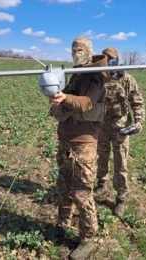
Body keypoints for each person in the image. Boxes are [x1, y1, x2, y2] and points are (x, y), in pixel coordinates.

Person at [44, 37, 108, 260]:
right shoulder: (77, 73)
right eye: (73, 49)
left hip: (84, 143)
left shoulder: (95, 76)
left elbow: (87, 103)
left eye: (79, 49)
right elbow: (66, 98)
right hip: (66, 140)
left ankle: (87, 239)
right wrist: (56, 95)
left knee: (81, 192)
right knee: (63, 186)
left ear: (89, 51)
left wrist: (66, 97)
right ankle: (62, 225)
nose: (75, 52)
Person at [96, 47, 145, 218]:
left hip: (121, 128)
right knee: (101, 157)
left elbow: (137, 102)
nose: (107, 61)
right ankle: (101, 184)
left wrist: (138, 121)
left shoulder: (127, 79)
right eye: (105, 58)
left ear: (116, 59)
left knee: (121, 163)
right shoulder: (99, 77)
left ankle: (121, 198)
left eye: (110, 58)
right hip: (101, 126)